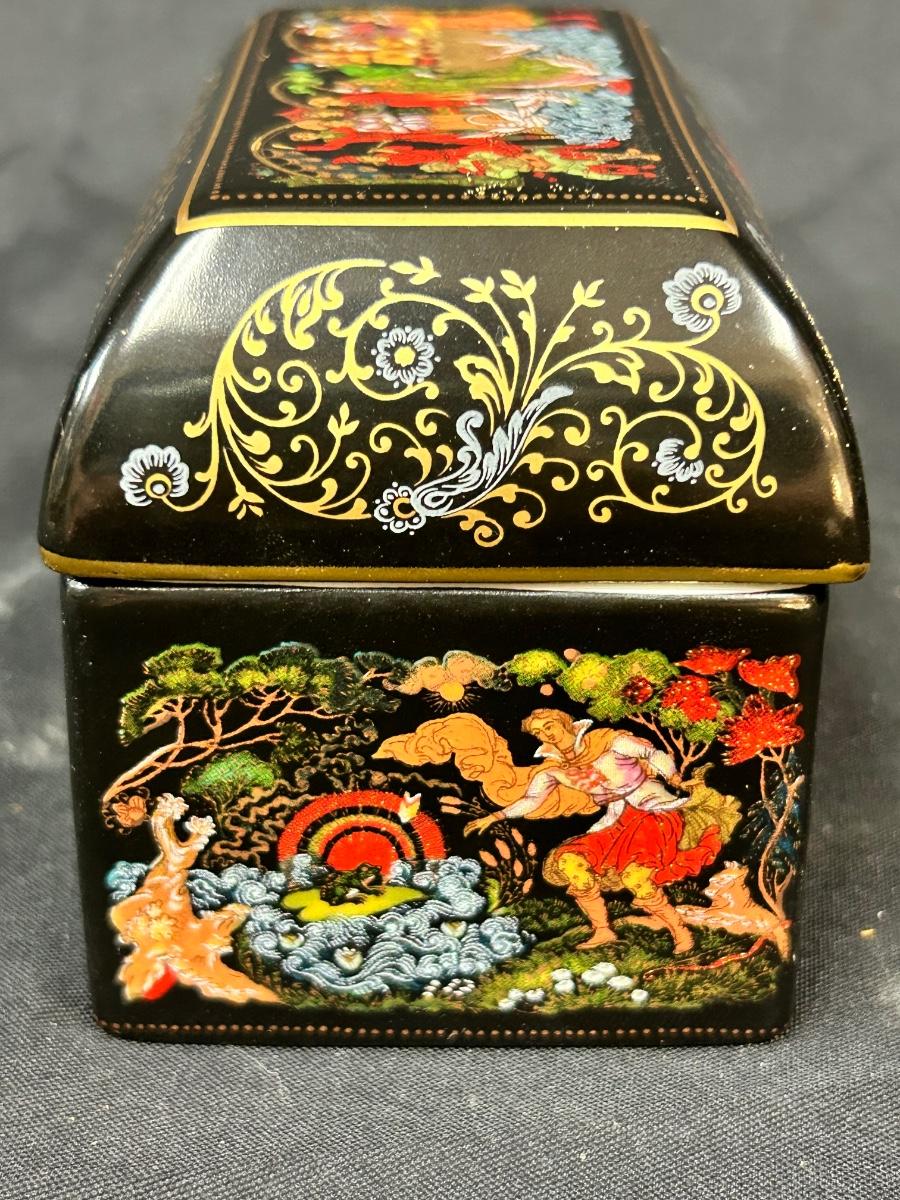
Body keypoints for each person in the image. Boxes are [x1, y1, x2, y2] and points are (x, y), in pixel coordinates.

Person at [466, 709, 721, 954]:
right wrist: (495, 816)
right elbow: (532, 799)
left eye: (549, 726)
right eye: (538, 732)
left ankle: (680, 931)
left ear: (565, 722)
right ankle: (602, 930)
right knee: (570, 861)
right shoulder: (554, 769)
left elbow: (651, 753)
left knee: (635, 878)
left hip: (653, 812)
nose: (546, 734)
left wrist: (674, 777)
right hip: (616, 822)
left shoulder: (608, 742)